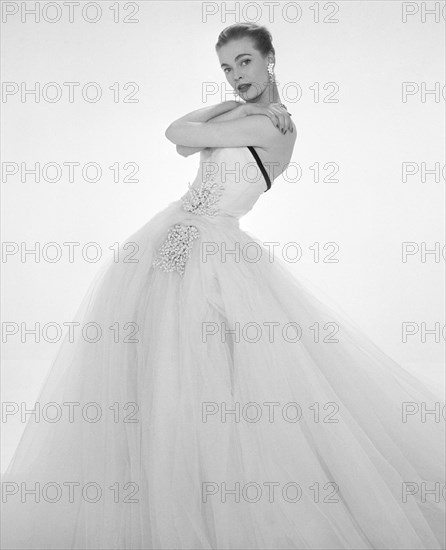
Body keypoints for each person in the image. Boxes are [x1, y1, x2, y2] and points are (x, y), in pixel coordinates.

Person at [1, 22, 444, 550]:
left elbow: (179, 137)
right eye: (227, 68)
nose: (237, 76)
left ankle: (216, 503)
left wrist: (248, 113)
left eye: (246, 63)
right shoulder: (249, 114)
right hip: (166, 247)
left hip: (215, 257)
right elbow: (181, 131)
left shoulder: (276, 129)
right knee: (154, 373)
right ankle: (153, 488)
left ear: (270, 60)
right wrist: (239, 106)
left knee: (211, 383)